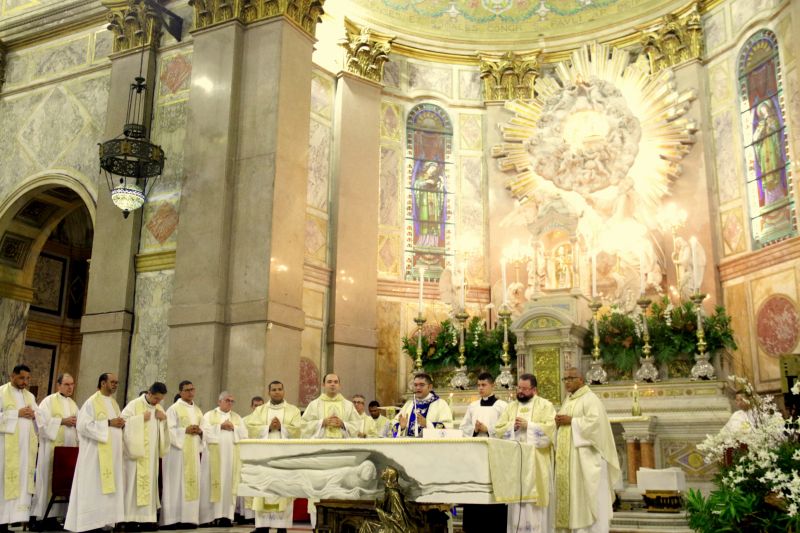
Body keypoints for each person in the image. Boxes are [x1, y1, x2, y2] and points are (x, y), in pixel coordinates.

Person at [554, 367, 620, 533]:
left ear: (581, 380)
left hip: (585, 461)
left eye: (571, 378)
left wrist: (572, 421)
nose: (567, 382)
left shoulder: (590, 399)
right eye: (565, 379)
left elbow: (596, 425)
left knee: (588, 499)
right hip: (570, 462)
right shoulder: (568, 400)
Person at [64, 373, 126, 532]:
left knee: (105, 491)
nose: (115, 385)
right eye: (112, 382)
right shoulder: (91, 402)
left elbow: (115, 425)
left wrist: (121, 424)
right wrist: (109, 423)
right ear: (103, 383)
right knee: (93, 488)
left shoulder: (113, 403)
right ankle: (89, 524)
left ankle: (103, 522)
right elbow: (82, 426)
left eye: (116, 383)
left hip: (110, 457)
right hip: (94, 457)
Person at [495, 373, 555, 533]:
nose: (520, 391)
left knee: (535, 506)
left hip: (536, 463)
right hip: (515, 465)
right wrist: (512, 427)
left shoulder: (545, 405)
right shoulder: (511, 407)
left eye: (524, 388)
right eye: (519, 388)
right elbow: (498, 430)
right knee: (516, 505)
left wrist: (530, 426)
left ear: (534, 389)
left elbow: (551, 431)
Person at [249, 381, 302, 533]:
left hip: (283, 458)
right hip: (264, 459)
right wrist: (268, 427)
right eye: (274, 390)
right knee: (264, 489)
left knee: (283, 490)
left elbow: (299, 430)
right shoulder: (260, 410)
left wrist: (281, 428)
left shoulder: (293, 410)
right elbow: (251, 428)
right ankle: (262, 526)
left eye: (279, 389)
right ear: (269, 392)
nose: (277, 392)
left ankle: (282, 527)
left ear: (284, 392)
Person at [458, 372, 509, 532]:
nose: (480, 388)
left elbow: (507, 429)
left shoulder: (502, 406)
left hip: (495, 453)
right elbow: (463, 427)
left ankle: (495, 525)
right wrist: (474, 430)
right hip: (476, 455)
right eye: (478, 385)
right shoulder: (473, 406)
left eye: (483, 385)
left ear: (492, 385)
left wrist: (488, 430)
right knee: (475, 489)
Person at [120, 382, 169, 529]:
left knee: (149, 486)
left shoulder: (159, 408)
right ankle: (130, 519)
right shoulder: (134, 405)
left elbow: (165, 433)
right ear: (149, 393)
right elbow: (122, 422)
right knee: (133, 486)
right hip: (135, 455)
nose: (157, 402)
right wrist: (140, 418)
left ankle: (147, 518)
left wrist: (164, 420)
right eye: (155, 398)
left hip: (151, 456)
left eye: (160, 399)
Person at [31, 373, 78, 527]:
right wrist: (62, 421)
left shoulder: (73, 404)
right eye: (66, 384)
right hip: (51, 451)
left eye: (72, 384)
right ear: (58, 385)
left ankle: (59, 516)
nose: (70, 387)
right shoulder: (48, 401)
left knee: (65, 482)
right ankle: (43, 517)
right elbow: (41, 425)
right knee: (48, 479)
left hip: (68, 450)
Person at [199, 391, 247, 527]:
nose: (230, 403)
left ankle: (226, 517)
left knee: (228, 485)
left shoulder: (237, 418)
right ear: (219, 401)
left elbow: (244, 435)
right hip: (213, 459)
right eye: (227, 400)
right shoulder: (209, 415)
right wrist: (220, 426)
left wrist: (234, 428)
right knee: (211, 484)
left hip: (231, 459)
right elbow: (204, 432)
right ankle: (209, 517)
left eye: (232, 401)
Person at [160, 380, 203, 529]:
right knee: (175, 484)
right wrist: (184, 430)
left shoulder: (197, 410)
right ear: (180, 392)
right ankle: (172, 519)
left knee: (190, 484)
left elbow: (204, 429)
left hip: (192, 452)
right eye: (187, 390)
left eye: (192, 389)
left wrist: (200, 431)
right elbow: (167, 430)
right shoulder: (173, 409)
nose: (190, 392)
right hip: (176, 454)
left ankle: (188, 518)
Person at [0, 364, 38, 531]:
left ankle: (11, 521)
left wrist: (35, 415)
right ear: (12, 376)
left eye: (28, 379)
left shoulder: (30, 396)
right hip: (5, 449)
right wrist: (17, 413)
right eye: (22, 378)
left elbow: (41, 420)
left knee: (21, 484)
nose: (25, 382)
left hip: (24, 452)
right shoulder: (1, 393)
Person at [301, 373, 362, 439]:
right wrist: (322, 422)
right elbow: (304, 425)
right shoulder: (314, 405)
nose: (332, 384)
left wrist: (343, 424)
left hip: (343, 445)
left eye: (336, 382)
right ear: (323, 385)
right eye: (329, 382)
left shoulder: (348, 405)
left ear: (339, 385)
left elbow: (357, 425)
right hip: (321, 445)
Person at [392, 373, 453, 437]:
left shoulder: (440, 404)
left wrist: (427, 424)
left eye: (421, 385)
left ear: (430, 387)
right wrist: (401, 427)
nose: (418, 388)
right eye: (415, 385)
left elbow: (448, 426)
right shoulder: (409, 404)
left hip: (430, 445)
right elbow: (395, 424)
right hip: (409, 445)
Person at [237, 396, 265, 525]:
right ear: (251, 406)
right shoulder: (244, 421)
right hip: (249, 457)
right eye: (255, 405)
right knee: (248, 485)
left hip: (264, 458)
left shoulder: (267, 420)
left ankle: (261, 515)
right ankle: (248, 515)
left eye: (260, 405)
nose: (257, 408)